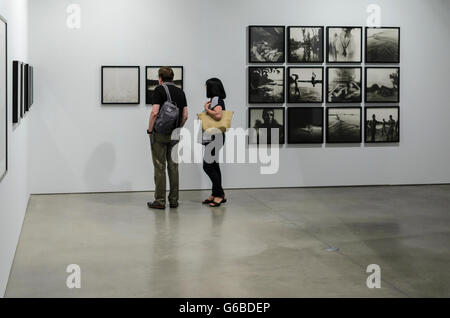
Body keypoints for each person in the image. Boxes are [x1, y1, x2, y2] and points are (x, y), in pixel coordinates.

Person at [147, 67, 188, 210]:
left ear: (160, 78)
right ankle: (174, 200)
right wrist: (178, 128)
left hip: (159, 133)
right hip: (175, 134)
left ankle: (160, 200)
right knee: (174, 166)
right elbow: (185, 115)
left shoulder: (159, 90)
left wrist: (150, 130)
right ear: (172, 77)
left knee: (159, 166)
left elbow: (154, 113)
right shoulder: (181, 92)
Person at [202, 78, 227, 207]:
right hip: (215, 136)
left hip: (214, 137)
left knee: (208, 166)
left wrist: (206, 109)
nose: (205, 88)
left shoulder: (216, 99)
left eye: (206, 86)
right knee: (214, 166)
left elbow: (218, 116)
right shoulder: (215, 99)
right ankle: (216, 193)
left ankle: (219, 195)